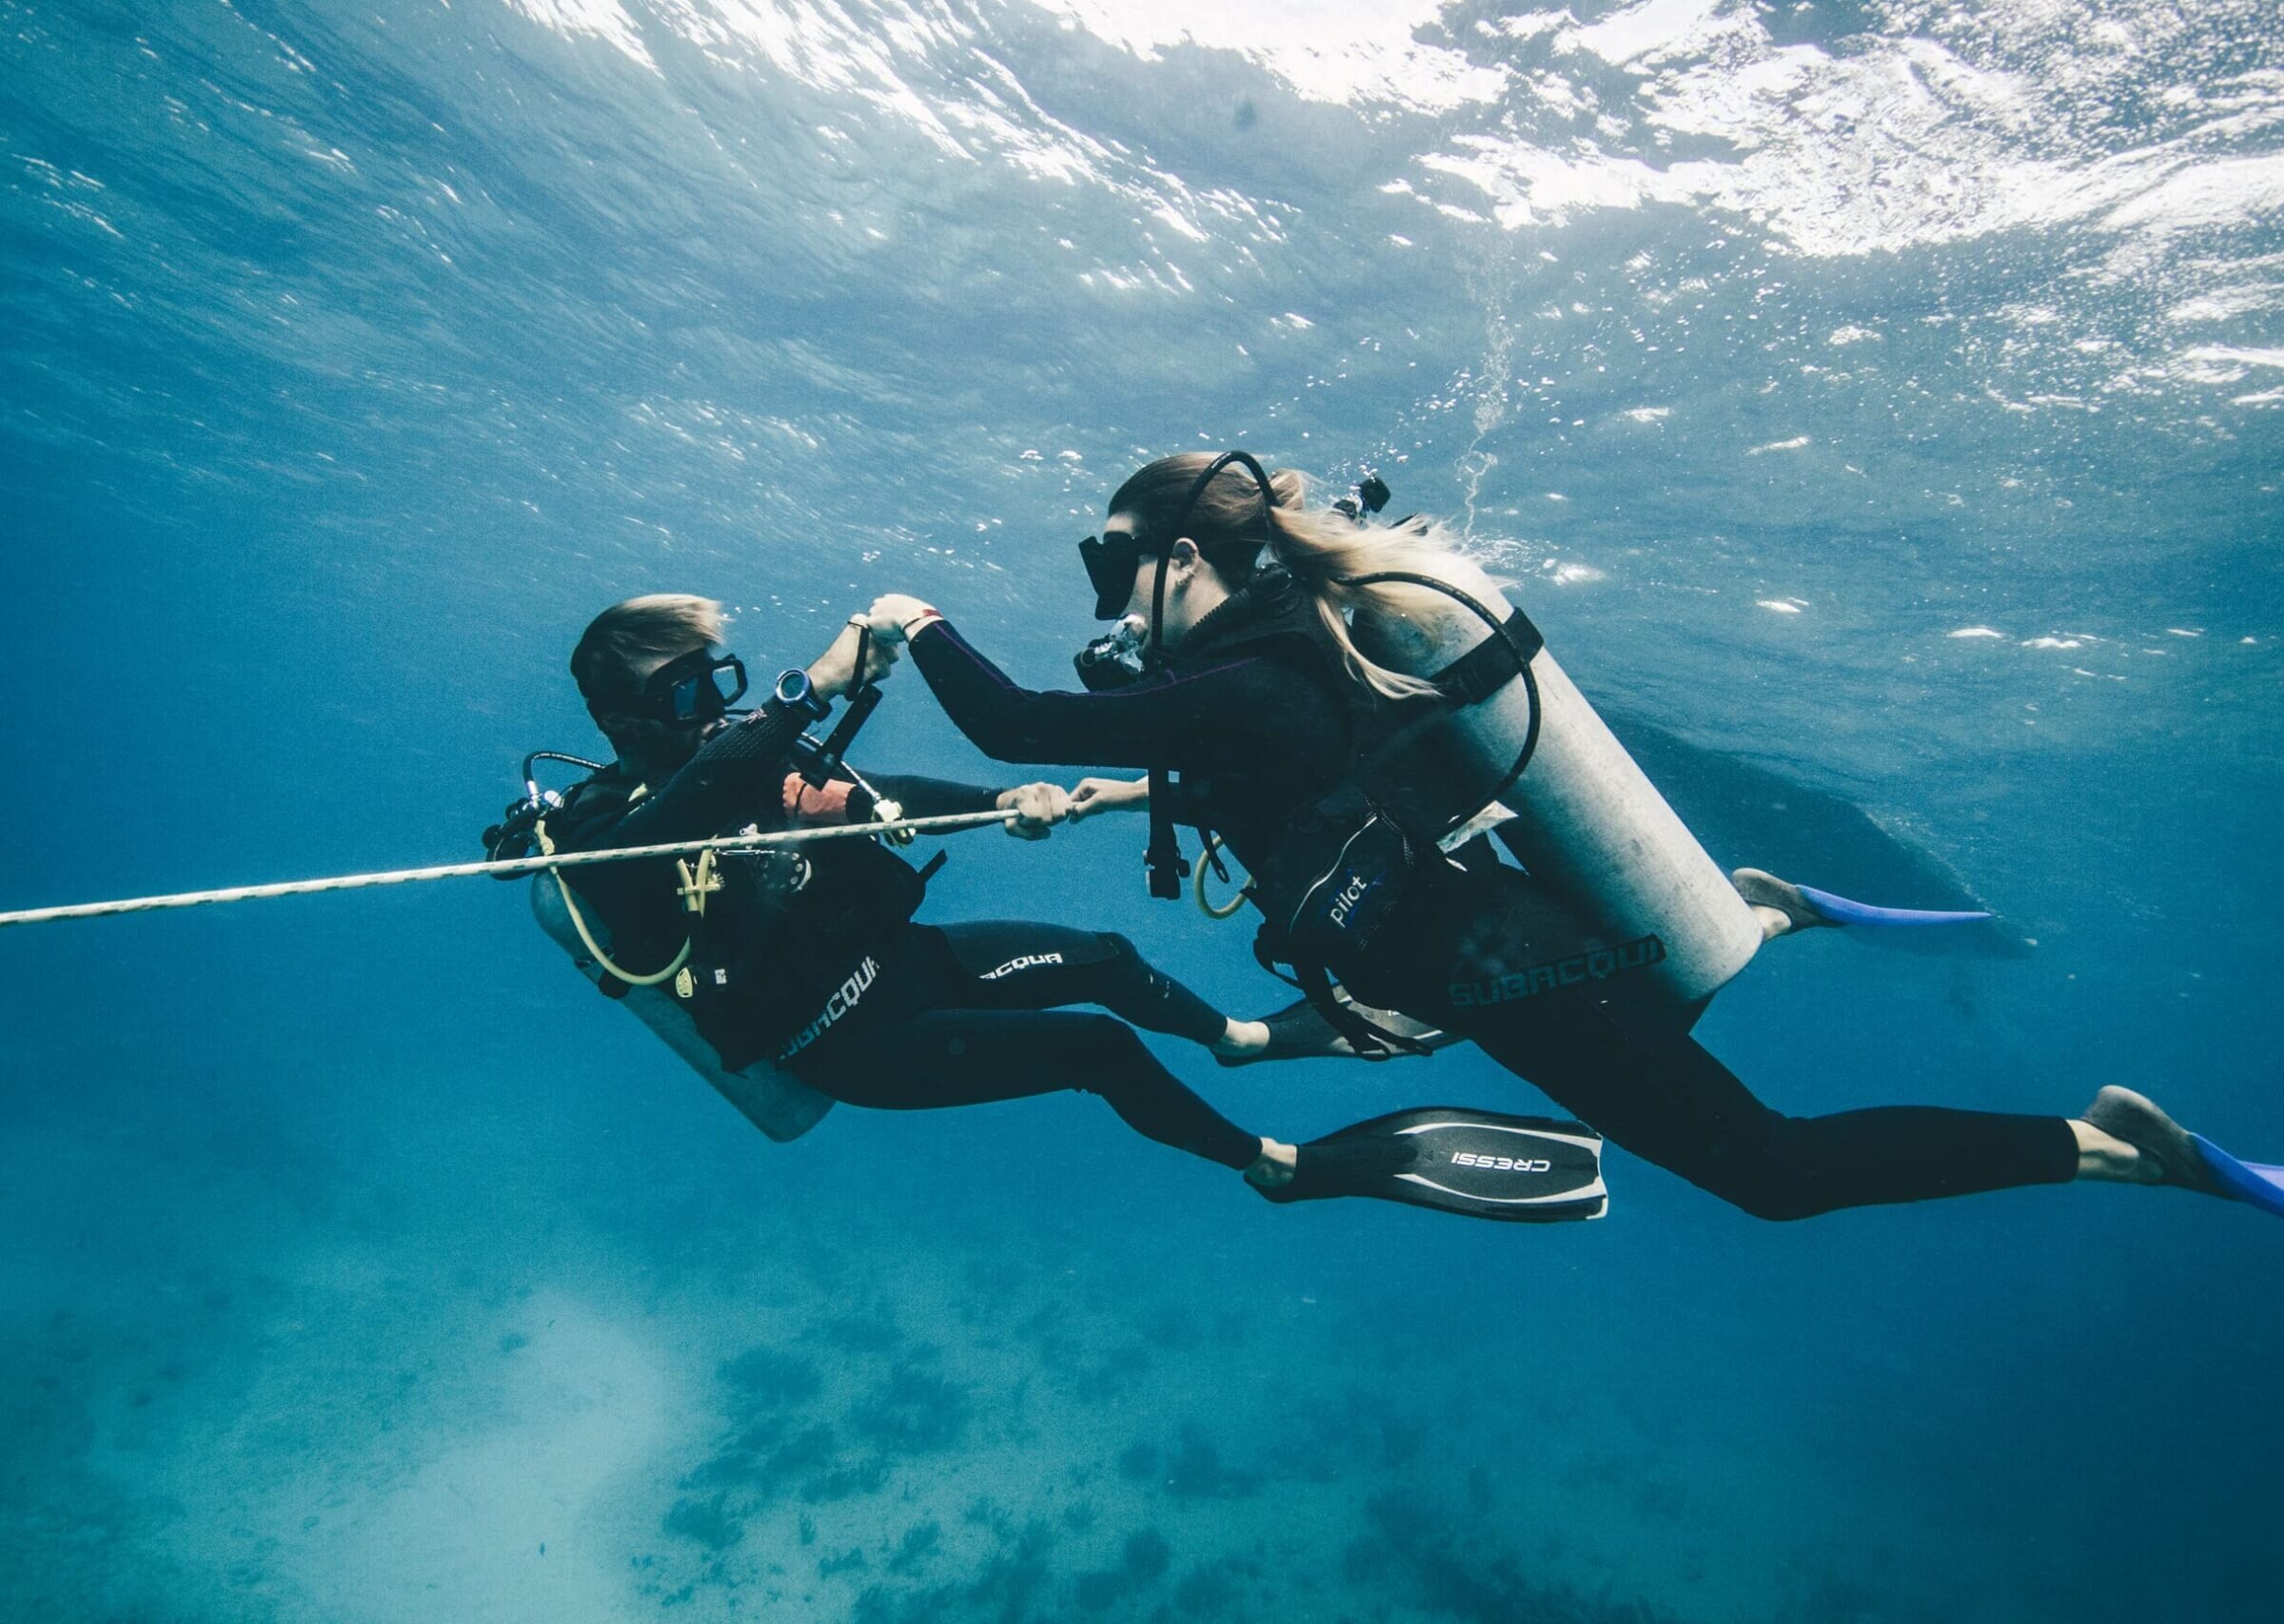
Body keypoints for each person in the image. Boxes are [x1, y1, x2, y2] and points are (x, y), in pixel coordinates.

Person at [859, 452, 2283, 1223]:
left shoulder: (1253, 674)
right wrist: (1109, 793)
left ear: (1183, 558)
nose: (1111, 595)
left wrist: (911, 619)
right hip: (1476, 950)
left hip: (1497, 959)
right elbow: (1270, 789)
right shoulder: (1262, 665)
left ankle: (2108, 1140)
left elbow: (1008, 722)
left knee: (1773, 1173)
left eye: (1115, 562)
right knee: (1713, 1068)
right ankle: (1759, 906)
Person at [522, 593, 1422, 1200]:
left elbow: (881, 794)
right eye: (686, 691)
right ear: (620, 720)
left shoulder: (754, 754)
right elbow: (659, 835)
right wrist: (805, 693)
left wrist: (1000, 801)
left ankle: (1241, 1039)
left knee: (1107, 958)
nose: (716, 705)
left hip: (910, 966)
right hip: (846, 1044)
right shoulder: (597, 835)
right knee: (1099, 1048)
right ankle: (1275, 1166)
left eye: (721, 678)